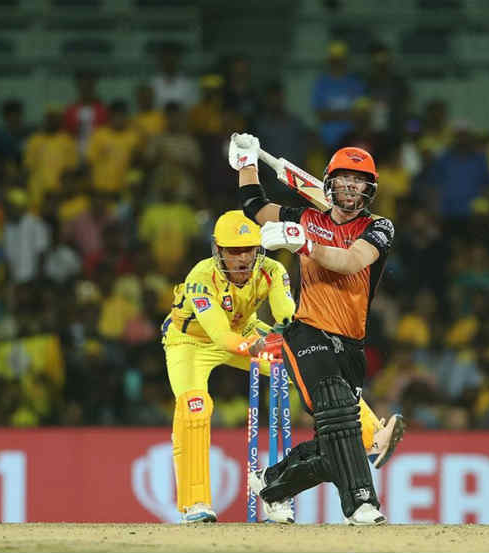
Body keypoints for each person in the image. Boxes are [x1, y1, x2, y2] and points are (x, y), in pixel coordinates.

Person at [163, 210, 403, 524]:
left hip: (246, 331)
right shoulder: (200, 278)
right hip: (190, 343)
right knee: (194, 408)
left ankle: (373, 436)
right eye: (234, 251)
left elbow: (287, 315)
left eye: (249, 249)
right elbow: (221, 336)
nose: (243, 258)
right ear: (218, 250)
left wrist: (296, 341)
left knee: (311, 363)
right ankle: (195, 504)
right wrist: (253, 347)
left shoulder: (272, 270)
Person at [230, 132, 403, 525]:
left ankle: (271, 483)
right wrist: (246, 162)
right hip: (307, 331)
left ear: (369, 189)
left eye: (359, 181)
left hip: (351, 343)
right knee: (338, 410)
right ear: (329, 183)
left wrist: (305, 245)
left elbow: (350, 262)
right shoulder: (305, 219)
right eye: (344, 179)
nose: (351, 187)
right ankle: (361, 503)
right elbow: (255, 208)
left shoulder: (379, 227)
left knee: (334, 446)